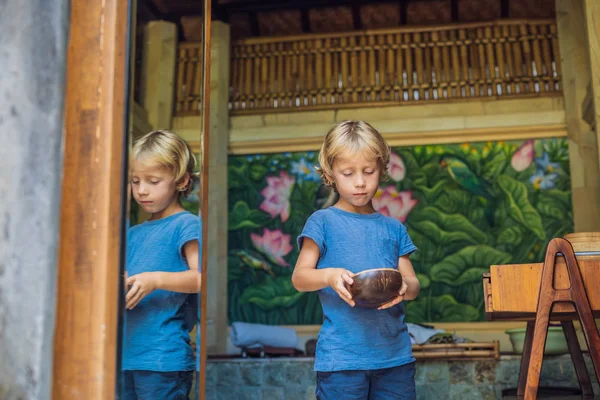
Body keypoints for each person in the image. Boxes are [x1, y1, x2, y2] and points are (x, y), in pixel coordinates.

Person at [292, 120, 420, 400]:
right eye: (348, 173)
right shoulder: (322, 222)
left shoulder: (394, 228)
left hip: (395, 359)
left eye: (369, 171)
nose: (360, 182)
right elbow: (300, 277)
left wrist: (404, 287)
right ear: (330, 174)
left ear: (382, 169)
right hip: (341, 362)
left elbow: (412, 284)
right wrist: (328, 275)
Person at [122, 130, 202, 400]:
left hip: (163, 360)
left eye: (153, 181)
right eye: (135, 181)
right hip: (124, 356)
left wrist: (155, 280)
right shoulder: (132, 234)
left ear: (181, 181)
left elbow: (202, 278)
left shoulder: (186, 225)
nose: (142, 189)